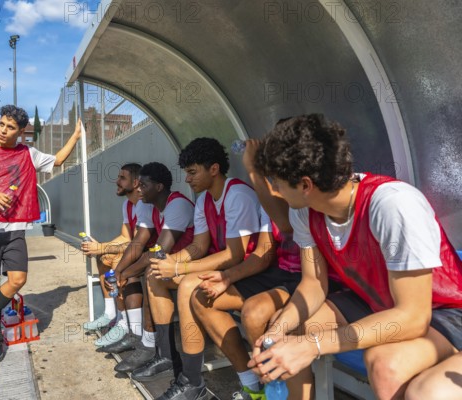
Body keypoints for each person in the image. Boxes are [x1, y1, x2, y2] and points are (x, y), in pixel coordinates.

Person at [247, 114, 462, 400]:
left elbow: (412, 316)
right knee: (288, 331)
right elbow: (313, 284)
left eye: (278, 183)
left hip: (444, 310)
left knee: (385, 365)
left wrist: (313, 345)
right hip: (378, 301)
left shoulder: (392, 205)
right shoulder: (304, 211)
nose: (274, 191)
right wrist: (276, 332)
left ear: (305, 185)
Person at [142, 138, 261, 400]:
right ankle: (164, 355)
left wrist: (181, 267)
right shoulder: (205, 198)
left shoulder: (238, 194)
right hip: (222, 269)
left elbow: (234, 255)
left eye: (192, 172)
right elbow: (199, 246)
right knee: (155, 275)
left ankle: (192, 381)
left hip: (248, 272)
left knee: (187, 285)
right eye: (186, 172)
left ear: (214, 169)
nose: (187, 179)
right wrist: (171, 263)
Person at [188, 139, 305, 400]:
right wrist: (224, 278)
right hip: (276, 273)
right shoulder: (267, 197)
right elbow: (263, 253)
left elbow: (284, 227)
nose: (272, 174)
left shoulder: (304, 193)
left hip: (305, 278)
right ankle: (252, 385)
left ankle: (273, 389)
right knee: (201, 295)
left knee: (253, 313)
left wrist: (253, 170)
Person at [0, 105, 82, 363]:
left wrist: (75, 136)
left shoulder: (29, 153)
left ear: (20, 132)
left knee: (18, 279)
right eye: (2, 125)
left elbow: (58, 161)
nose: (3, 131)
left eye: (10, 128)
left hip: (15, 227)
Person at [109, 161, 195, 374]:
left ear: (159, 187)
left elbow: (159, 251)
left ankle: (154, 348)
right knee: (141, 272)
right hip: (172, 265)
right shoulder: (147, 205)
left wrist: (127, 272)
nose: (139, 189)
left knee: (150, 273)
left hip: (193, 263)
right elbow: (138, 242)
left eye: (144, 185)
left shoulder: (177, 204)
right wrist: (119, 271)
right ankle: (145, 343)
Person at [81, 163, 142, 332]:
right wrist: (99, 247)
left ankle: (124, 324)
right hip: (136, 248)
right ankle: (110, 313)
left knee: (117, 261)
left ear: (136, 182)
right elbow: (125, 237)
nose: (117, 181)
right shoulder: (127, 205)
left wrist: (101, 247)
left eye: (122, 178)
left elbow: (136, 243)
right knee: (104, 257)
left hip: (149, 251)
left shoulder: (144, 204)